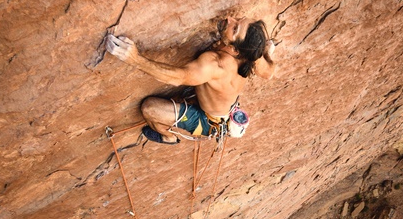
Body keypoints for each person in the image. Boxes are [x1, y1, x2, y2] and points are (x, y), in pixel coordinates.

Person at [105, 17, 276, 144]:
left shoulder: (215, 65)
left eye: (235, 28)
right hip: (225, 108)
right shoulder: (252, 52)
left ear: (233, 49)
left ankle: (168, 137)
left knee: (149, 108)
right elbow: (269, 73)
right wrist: (267, 50)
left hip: (206, 121)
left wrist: (134, 59)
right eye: (238, 20)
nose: (230, 19)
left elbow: (178, 77)